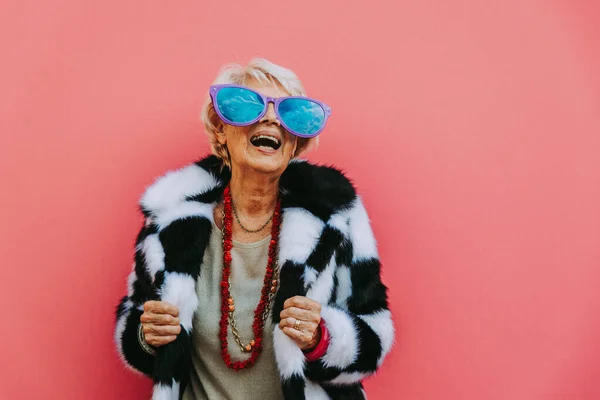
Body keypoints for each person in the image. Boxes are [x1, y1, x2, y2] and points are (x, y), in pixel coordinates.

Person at [114, 58, 394, 400]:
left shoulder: (333, 217)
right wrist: (147, 336)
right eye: (246, 106)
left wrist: (321, 337)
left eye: (290, 113)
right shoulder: (172, 220)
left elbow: (375, 336)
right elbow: (134, 327)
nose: (271, 118)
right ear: (220, 129)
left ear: (296, 142)